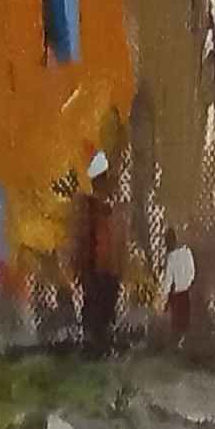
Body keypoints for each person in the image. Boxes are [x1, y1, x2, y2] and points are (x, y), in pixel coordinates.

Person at [75, 151, 124, 356]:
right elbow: (87, 239)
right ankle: (95, 342)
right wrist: (83, 266)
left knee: (104, 306)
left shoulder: (107, 207)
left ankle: (101, 341)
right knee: (96, 305)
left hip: (106, 268)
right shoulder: (92, 208)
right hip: (97, 267)